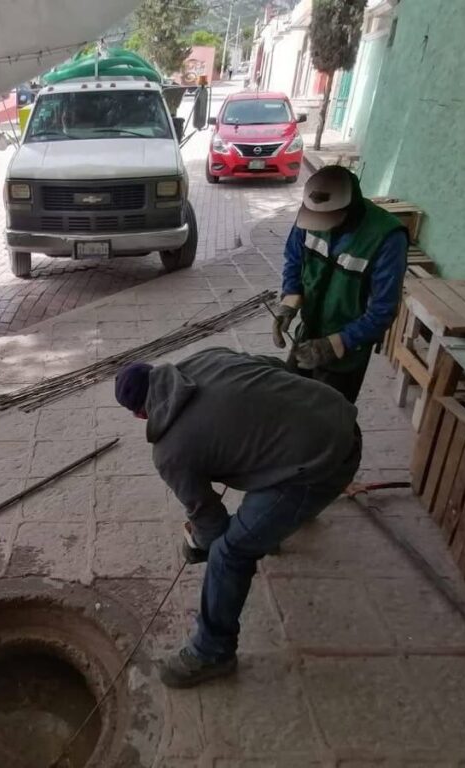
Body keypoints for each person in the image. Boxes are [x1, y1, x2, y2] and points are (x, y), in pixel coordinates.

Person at [114, 349, 361, 687]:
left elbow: (213, 526)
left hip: (322, 466)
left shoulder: (169, 452)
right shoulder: (209, 357)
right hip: (338, 413)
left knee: (229, 553)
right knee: (262, 485)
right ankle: (283, 519)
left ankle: (212, 652)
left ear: (140, 415)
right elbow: (275, 366)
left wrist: (197, 543)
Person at [273, 165, 408, 403]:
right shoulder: (308, 217)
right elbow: (294, 261)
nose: (321, 225)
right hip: (307, 333)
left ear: (350, 210)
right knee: (289, 406)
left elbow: (382, 310)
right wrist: (288, 304)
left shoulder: (387, 238)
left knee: (328, 420)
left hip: (348, 350)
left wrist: (334, 345)